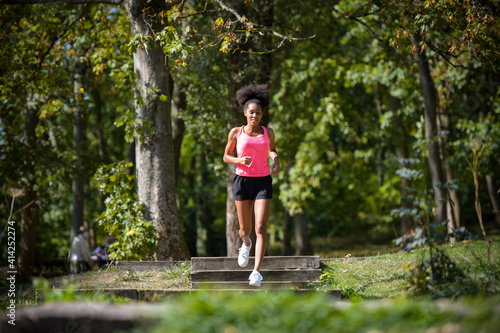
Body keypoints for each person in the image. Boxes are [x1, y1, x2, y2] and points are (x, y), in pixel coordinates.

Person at [223, 84, 280, 287]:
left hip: (263, 181)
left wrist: (276, 159)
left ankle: (256, 272)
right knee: (244, 230)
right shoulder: (236, 132)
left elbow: (272, 150)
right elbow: (225, 156)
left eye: (258, 113)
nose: (255, 116)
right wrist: (239, 161)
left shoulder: (268, 132)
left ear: (262, 114)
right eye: (252, 112)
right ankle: (245, 244)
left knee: (261, 227)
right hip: (242, 182)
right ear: (245, 113)